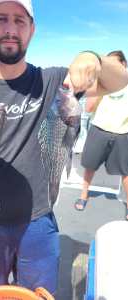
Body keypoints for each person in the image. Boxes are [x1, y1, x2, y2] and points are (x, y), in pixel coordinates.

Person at [0, 0, 128, 297]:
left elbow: (119, 81)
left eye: (20, 20)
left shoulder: (53, 82)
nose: (10, 29)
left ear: (32, 30)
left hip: (38, 220)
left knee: (39, 293)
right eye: (1, 18)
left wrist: (91, 58)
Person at [75, 50, 128, 220]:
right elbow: (88, 108)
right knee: (90, 166)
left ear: (123, 65)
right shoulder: (100, 83)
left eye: (114, 65)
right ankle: (84, 194)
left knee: (126, 172)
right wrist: (97, 86)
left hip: (123, 134)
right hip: (98, 130)